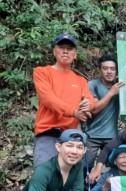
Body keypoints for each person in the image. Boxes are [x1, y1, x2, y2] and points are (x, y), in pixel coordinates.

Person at [33, 33, 95, 167]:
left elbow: (90, 99)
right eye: (61, 47)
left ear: (75, 54)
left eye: (70, 48)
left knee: (68, 181)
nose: (65, 51)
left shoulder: (80, 80)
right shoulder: (42, 72)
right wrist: (74, 112)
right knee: (43, 176)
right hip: (48, 132)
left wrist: (87, 105)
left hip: (71, 137)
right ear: (54, 52)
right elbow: (48, 99)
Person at [85, 54, 125, 172]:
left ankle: (108, 189)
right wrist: (111, 93)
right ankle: (84, 190)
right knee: (85, 166)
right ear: (100, 70)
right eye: (105, 68)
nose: (109, 72)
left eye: (112, 69)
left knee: (114, 166)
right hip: (92, 135)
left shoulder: (121, 86)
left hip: (112, 135)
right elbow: (94, 109)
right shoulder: (92, 85)